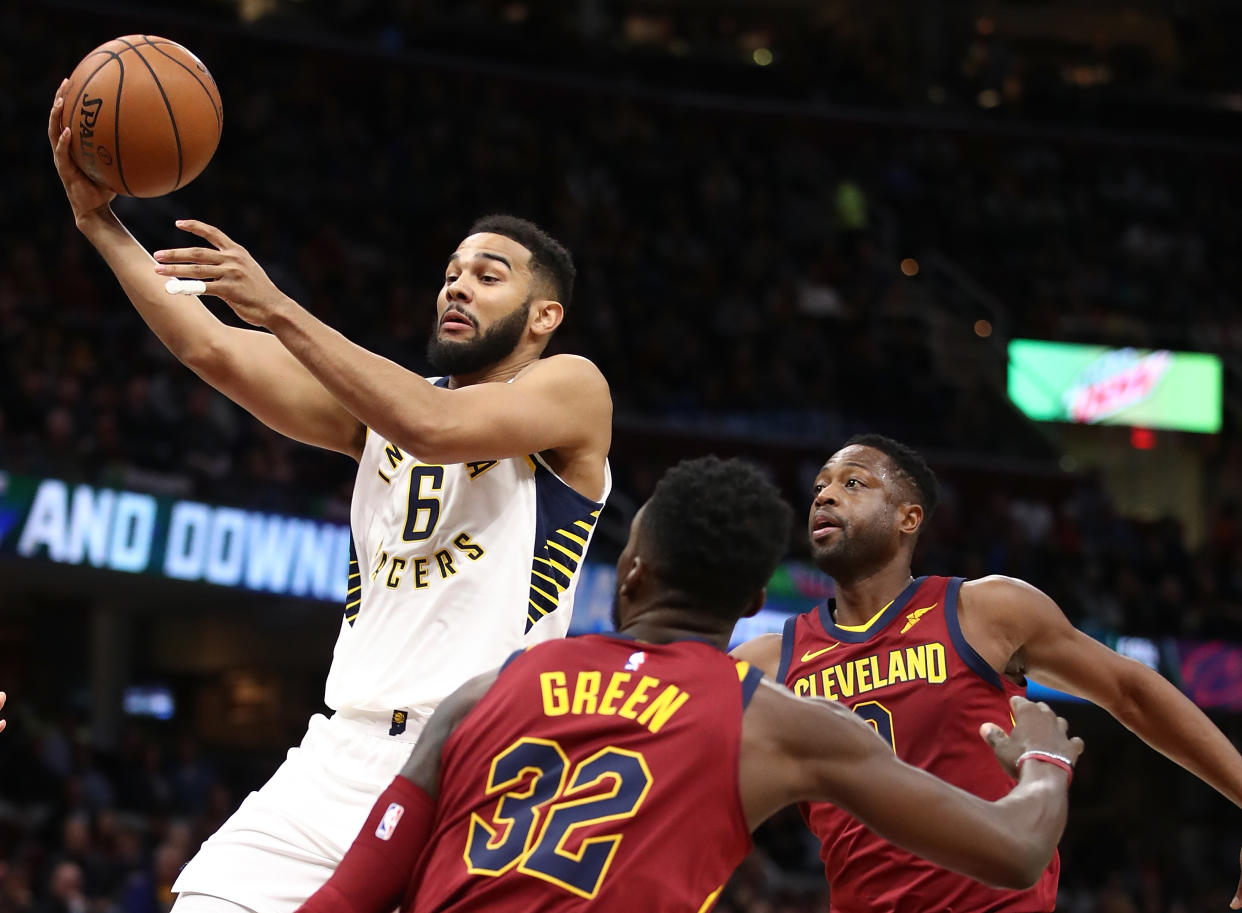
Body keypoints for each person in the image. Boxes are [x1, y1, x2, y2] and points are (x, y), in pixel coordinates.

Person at [48, 84, 613, 913]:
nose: (457, 287)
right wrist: (99, 221)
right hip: (336, 746)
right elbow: (207, 343)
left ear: (543, 316)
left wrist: (277, 306)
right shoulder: (377, 407)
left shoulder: (570, 390)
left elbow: (432, 423)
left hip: (471, 761)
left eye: (488, 277)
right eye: (451, 273)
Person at [293, 456, 1081, 913]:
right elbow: (1013, 853)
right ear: (746, 606)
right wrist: (1044, 762)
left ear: (629, 575)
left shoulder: (489, 688)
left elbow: (346, 897)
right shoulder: (774, 721)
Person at [732, 433, 1242, 913]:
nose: (825, 496)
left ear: (908, 518)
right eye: (819, 486)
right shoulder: (768, 662)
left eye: (853, 482)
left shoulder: (984, 609)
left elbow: (1131, 692)